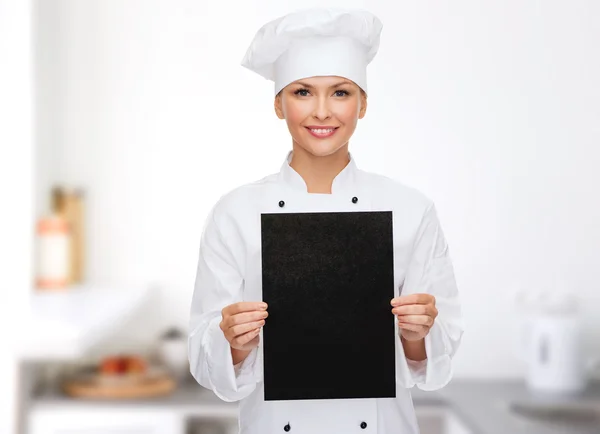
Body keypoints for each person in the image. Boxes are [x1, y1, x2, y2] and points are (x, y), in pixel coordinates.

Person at [188, 8, 464, 434]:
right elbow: (208, 368)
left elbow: (433, 367)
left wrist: (416, 333)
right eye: (302, 92)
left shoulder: (411, 209)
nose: (322, 112)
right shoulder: (235, 213)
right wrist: (232, 341)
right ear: (279, 104)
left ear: (363, 104)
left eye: (340, 93)